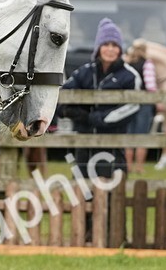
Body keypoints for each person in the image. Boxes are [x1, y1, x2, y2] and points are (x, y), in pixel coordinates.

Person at [61, 18, 143, 181]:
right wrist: (68, 111)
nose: (110, 49)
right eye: (106, 44)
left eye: (114, 45)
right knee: (82, 194)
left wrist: (93, 118)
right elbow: (63, 94)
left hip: (112, 145)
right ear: (98, 48)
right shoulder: (84, 71)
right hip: (83, 144)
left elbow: (131, 107)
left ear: (120, 49)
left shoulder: (130, 76)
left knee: (112, 197)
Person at [123, 38, 157, 175]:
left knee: (129, 135)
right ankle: (139, 167)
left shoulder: (127, 63)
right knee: (142, 135)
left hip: (128, 103)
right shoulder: (147, 64)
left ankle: (128, 166)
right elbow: (150, 85)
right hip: (143, 104)